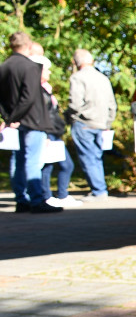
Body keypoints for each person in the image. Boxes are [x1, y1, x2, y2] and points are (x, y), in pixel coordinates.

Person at [0, 31, 61, 213]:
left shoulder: (3, 67)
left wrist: (9, 117)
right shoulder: (31, 67)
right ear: (28, 46)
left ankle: (21, 199)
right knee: (32, 160)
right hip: (32, 120)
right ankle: (36, 199)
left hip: (15, 121)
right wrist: (15, 117)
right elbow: (29, 98)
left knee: (18, 161)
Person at [66, 48, 116, 200]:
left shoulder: (77, 78)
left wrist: (71, 116)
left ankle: (99, 190)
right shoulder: (103, 78)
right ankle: (100, 188)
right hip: (101, 123)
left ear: (76, 62)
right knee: (96, 157)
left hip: (84, 123)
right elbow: (112, 105)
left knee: (88, 158)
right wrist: (107, 123)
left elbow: (74, 103)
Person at [30, 54, 78, 209]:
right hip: (47, 132)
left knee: (52, 165)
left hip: (53, 131)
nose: (49, 73)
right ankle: (49, 196)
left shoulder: (45, 89)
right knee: (53, 165)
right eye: (47, 70)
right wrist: (45, 133)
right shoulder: (36, 90)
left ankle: (53, 195)